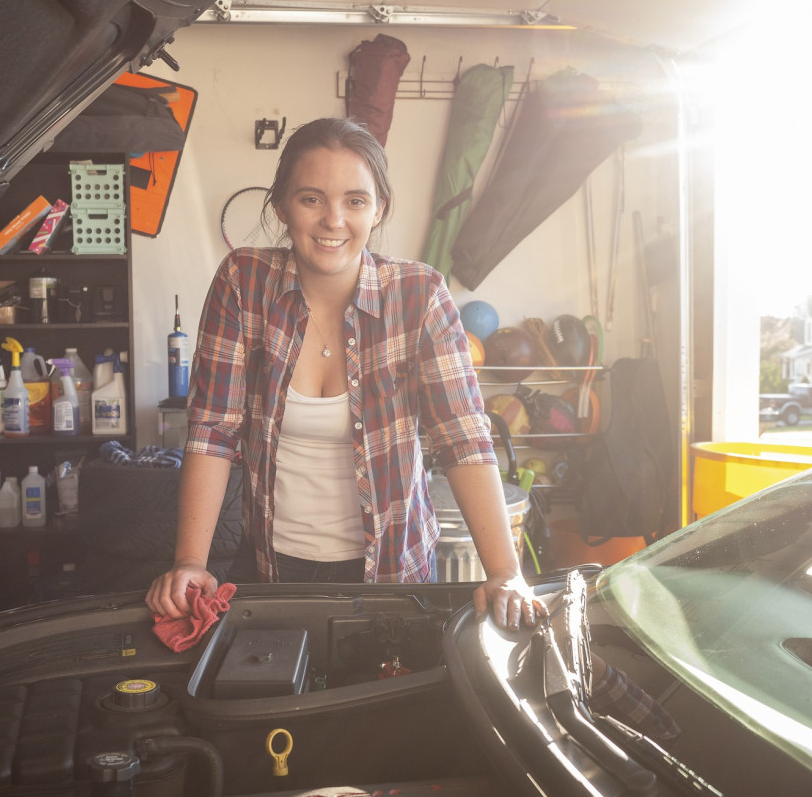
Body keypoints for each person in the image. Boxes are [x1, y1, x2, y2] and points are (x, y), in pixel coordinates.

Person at [145, 117, 544, 630]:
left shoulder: (420, 295)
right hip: (271, 568)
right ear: (281, 207)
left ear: (378, 210)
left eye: (355, 200)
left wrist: (506, 571)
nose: (334, 219)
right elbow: (212, 431)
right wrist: (190, 563)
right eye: (311, 198)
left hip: (394, 574)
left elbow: (462, 438)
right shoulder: (244, 283)